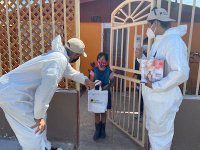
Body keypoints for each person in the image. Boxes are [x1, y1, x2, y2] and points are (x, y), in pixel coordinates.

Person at [0, 35, 95, 150]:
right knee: (32, 131)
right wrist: (38, 117)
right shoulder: (58, 60)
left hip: (14, 92)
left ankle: (45, 147)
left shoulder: (59, 57)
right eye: (79, 56)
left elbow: (71, 73)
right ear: (75, 55)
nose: (78, 58)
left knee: (40, 123)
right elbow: (44, 91)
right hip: (13, 96)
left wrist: (86, 80)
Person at [135, 7, 189, 150]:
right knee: (155, 137)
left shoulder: (173, 42)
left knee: (160, 140)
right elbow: (154, 67)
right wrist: (142, 58)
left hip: (163, 101)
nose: (148, 28)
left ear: (156, 23)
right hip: (156, 101)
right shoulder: (160, 41)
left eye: (149, 25)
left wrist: (157, 86)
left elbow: (182, 72)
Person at [89, 52, 114, 141]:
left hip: (105, 95)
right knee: (96, 112)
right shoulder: (93, 70)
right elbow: (90, 83)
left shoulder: (109, 71)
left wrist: (108, 86)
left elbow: (112, 82)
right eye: (99, 58)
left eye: (103, 59)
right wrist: (93, 86)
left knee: (103, 112)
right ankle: (97, 131)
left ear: (106, 61)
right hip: (96, 94)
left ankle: (103, 131)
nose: (101, 60)